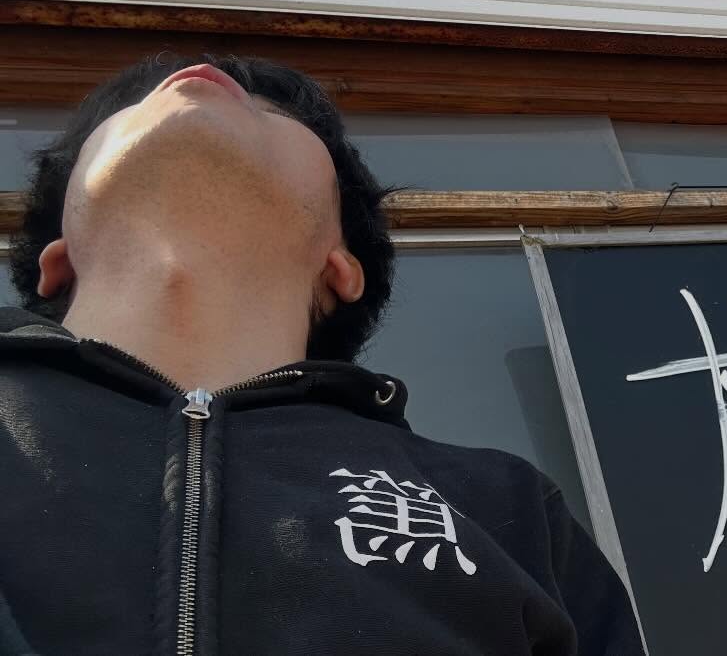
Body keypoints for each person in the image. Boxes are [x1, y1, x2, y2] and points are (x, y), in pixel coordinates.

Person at [0, 55, 643, 655]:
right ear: (59, 255)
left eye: (270, 111)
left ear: (342, 265)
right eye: (137, 104)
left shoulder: (508, 507)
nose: (198, 82)